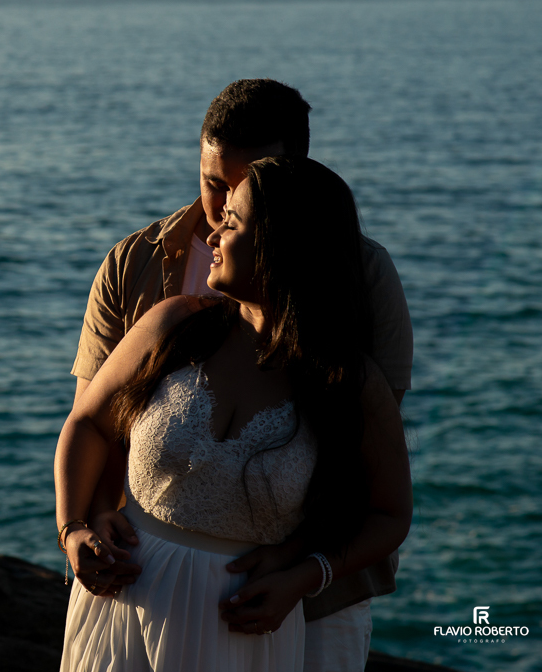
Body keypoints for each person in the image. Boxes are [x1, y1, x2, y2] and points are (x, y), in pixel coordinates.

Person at [69, 79, 413, 670]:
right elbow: (95, 418)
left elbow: (364, 458)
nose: (222, 206)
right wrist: (86, 522)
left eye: (242, 189)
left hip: (311, 597)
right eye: (213, 183)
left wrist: (301, 566)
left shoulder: (363, 278)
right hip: (145, 581)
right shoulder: (138, 263)